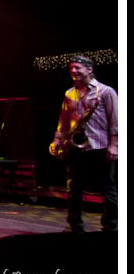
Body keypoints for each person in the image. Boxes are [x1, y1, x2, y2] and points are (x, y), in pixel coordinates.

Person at [48, 55, 118, 233]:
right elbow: (63, 121)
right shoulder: (69, 93)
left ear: (89, 69)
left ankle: (111, 226)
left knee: (108, 189)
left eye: (77, 67)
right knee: (73, 188)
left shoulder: (105, 91)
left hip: (99, 146)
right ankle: (75, 225)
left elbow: (116, 120)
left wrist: (114, 145)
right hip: (75, 148)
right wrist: (57, 140)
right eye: (71, 68)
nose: (73, 71)